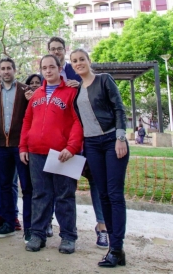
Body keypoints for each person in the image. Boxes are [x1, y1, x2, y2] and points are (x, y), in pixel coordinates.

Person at [71, 48, 130, 267]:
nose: (79, 63)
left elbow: (118, 108)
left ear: (88, 60)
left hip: (111, 140)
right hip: (92, 144)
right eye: (75, 61)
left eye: (82, 59)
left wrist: (120, 137)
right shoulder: (77, 91)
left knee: (115, 195)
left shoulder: (104, 80)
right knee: (103, 195)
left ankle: (116, 247)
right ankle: (115, 249)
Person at [20, 54, 83, 255]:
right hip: (37, 152)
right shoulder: (36, 94)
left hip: (62, 154)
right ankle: (38, 234)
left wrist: (72, 147)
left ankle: (68, 237)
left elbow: (77, 122)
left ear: (59, 68)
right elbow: (27, 121)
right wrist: (23, 147)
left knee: (65, 196)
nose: (48, 71)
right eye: (44, 68)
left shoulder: (71, 92)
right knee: (40, 195)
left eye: (52, 67)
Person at [48, 36, 107, 247]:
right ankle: (61, 228)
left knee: (97, 182)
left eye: (59, 49)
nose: (56, 52)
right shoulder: (45, 75)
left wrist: (79, 85)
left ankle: (102, 226)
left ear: (65, 51)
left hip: (89, 139)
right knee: (63, 187)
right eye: (52, 49)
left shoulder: (78, 72)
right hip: (63, 142)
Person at [0, 57, 31, 240]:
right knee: (4, 185)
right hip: (0, 146)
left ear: (14, 70)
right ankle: (8, 222)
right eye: (3, 68)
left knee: (27, 187)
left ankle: (30, 228)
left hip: (20, 146)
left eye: (9, 68)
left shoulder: (25, 91)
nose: (6, 71)